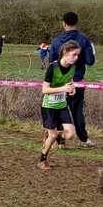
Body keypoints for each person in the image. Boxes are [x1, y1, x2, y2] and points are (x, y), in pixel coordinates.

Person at [49, 12, 96, 146]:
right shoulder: (84, 40)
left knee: (59, 109)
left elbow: (51, 62)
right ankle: (84, 140)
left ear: (64, 23)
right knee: (77, 111)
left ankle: (60, 140)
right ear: (76, 22)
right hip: (77, 81)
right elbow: (90, 61)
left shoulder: (56, 41)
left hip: (59, 81)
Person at [39, 41, 81, 171]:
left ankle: (54, 135)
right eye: (74, 54)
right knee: (52, 135)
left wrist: (72, 88)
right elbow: (44, 90)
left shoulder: (72, 67)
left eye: (78, 55)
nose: (76, 58)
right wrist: (63, 88)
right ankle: (42, 160)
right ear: (65, 53)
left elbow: (69, 80)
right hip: (49, 106)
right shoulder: (53, 67)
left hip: (62, 105)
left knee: (70, 134)